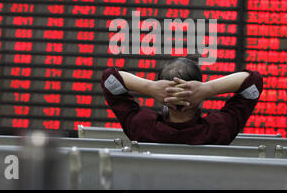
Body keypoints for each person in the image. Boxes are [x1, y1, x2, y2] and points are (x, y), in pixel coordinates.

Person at [101, 57, 263, 145]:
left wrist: (150, 87)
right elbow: (254, 82)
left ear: (163, 97)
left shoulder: (142, 126)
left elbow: (109, 79)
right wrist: (207, 89)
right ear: (198, 96)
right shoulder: (219, 129)